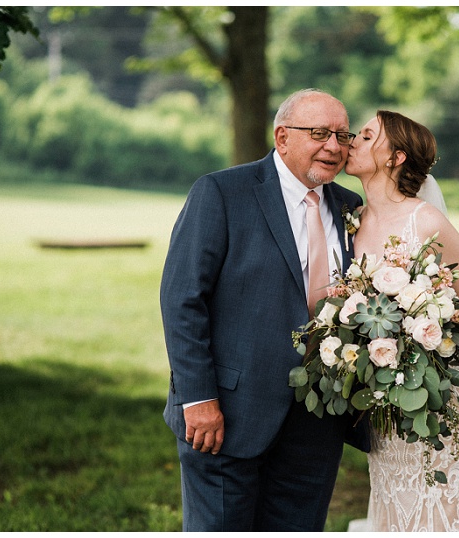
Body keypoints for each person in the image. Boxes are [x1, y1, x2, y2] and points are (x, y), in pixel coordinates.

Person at [159, 88, 365, 531]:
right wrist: (199, 398)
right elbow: (182, 300)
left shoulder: (351, 208)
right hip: (227, 414)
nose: (334, 146)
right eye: (319, 133)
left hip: (317, 421)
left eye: (342, 135)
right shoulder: (222, 192)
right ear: (282, 136)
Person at [344, 110, 459, 532]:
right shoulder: (353, 221)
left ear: (395, 157)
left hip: (439, 392)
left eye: (365, 136)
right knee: (395, 496)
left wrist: (420, 339)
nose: (352, 142)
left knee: (446, 504)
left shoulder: (427, 222)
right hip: (383, 391)